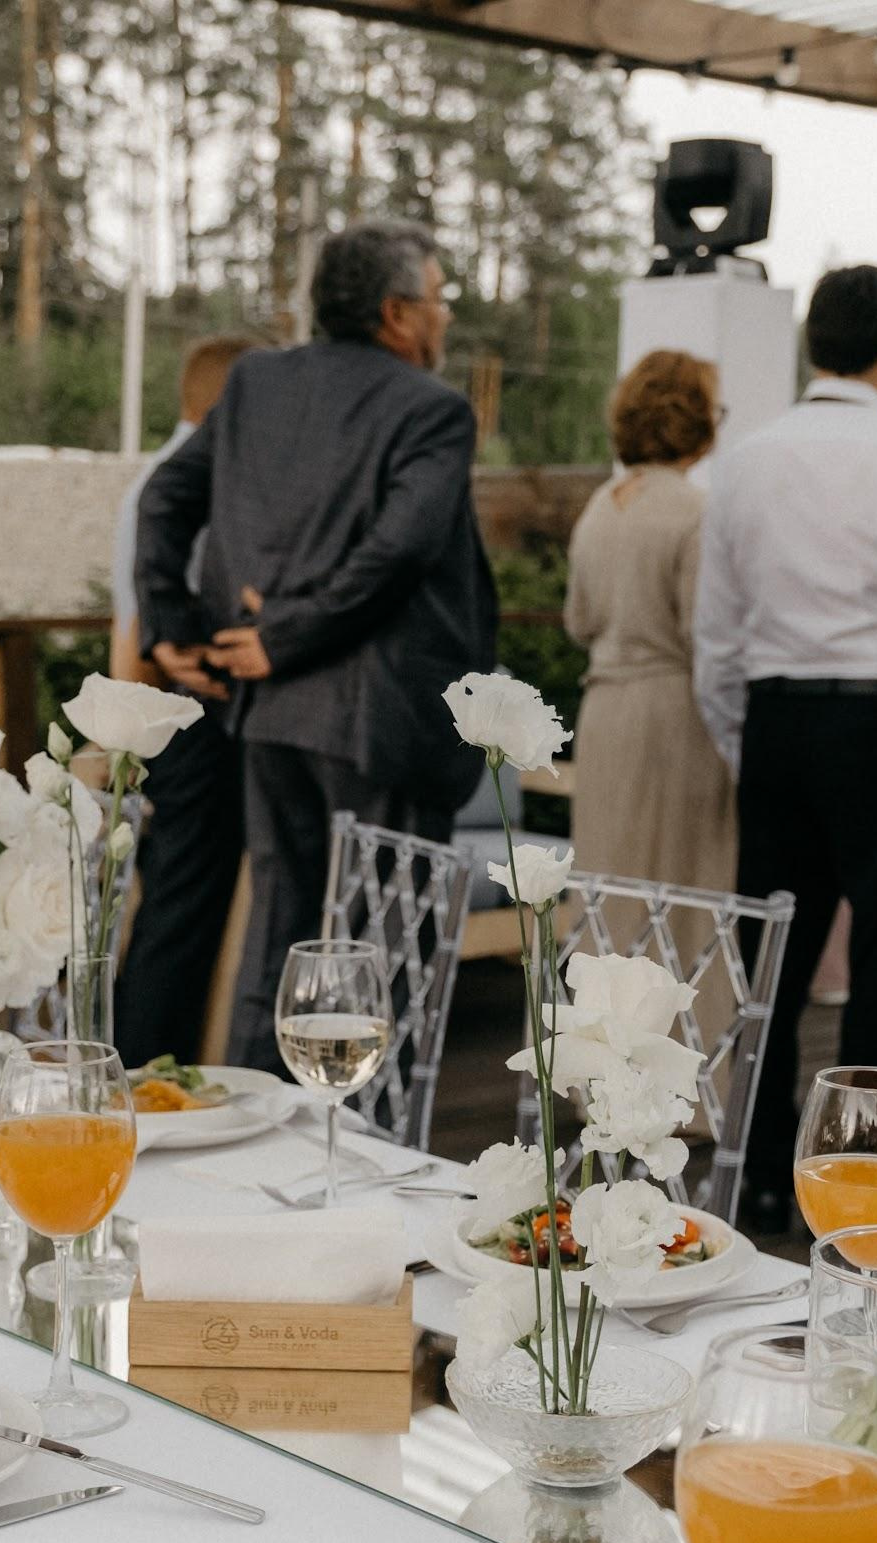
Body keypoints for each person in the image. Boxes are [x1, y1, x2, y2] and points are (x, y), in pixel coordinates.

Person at [135, 219, 498, 1078]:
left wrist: (171, 628)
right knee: (387, 957)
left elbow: (163, 498)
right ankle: (370, 1167)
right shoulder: (435, 409)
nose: (445, 321)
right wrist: (279, 633)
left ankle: (268, 1158)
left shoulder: (259, 381)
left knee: (282, 948)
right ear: (396, 313)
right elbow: (401, 547)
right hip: (383, 722)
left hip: (274, 717)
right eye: (439, 301)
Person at [692, 264, 877, 1233]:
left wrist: (747, 743)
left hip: (780, 721)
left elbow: (717, 633)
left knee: (770, 959)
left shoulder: (743, 459)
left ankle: (757, 1179)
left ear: (812, 342)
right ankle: (859, 1178)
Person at [108, 332, 263, 1065]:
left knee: (176, 913)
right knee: (179, 917)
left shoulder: (152, 480)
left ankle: (149, 1073)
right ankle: (144, 1078)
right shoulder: (189, 486)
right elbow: (147, 631)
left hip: (167, 726)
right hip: (197, 723)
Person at [564, 349, 737, 895]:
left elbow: (579, 621)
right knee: (680, 885)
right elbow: (705, 636)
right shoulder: (696, 511)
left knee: (608, 879)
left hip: (605, 714)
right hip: (674, 717)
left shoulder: (600, 505)